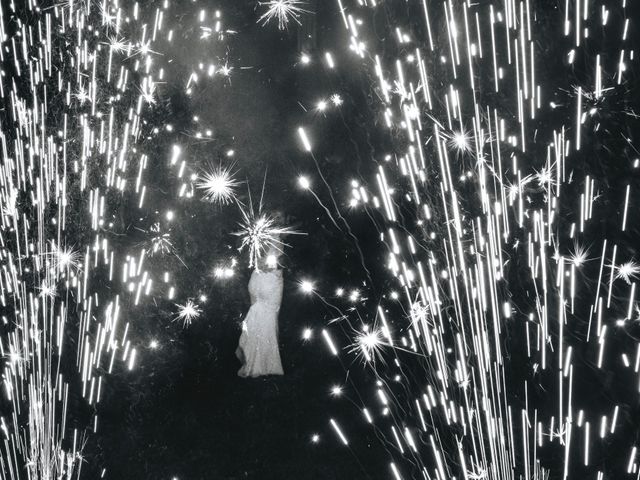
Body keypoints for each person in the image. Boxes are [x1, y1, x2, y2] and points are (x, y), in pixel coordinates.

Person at [235, 233, 284, 377]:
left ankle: (255, 363)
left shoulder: (264, 238)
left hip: (261, 283)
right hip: (265, 283)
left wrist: (263, 263)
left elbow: (269, 262)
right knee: (265, 322)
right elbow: (274, 263)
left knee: (261, 321)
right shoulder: (272, 239)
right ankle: (262, 365)